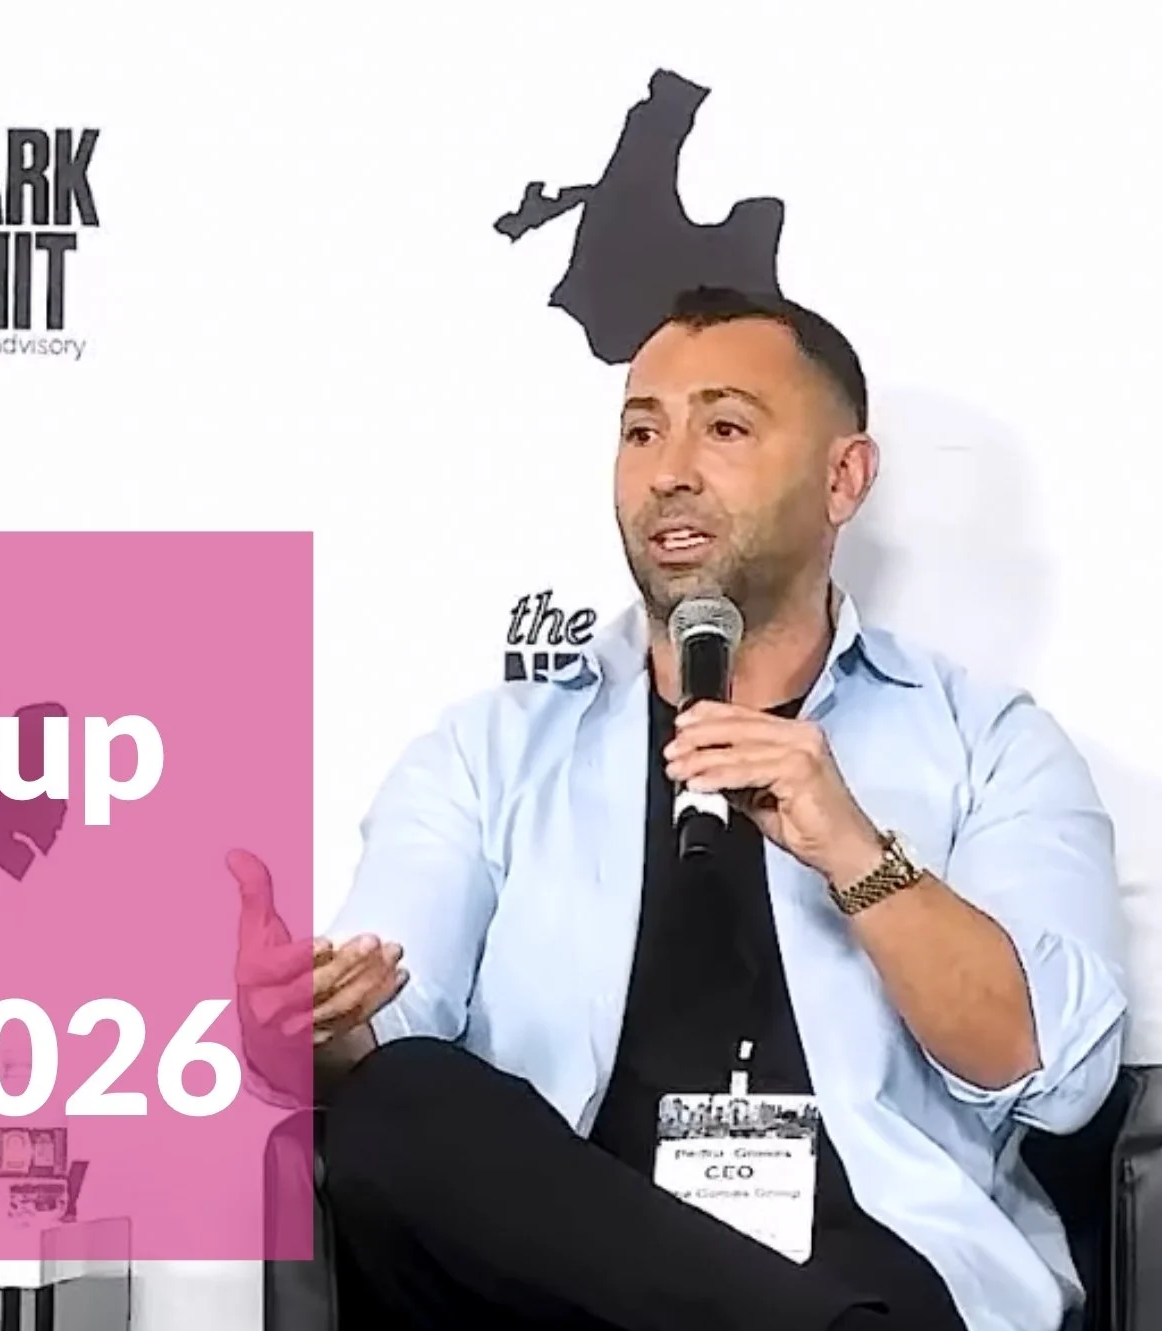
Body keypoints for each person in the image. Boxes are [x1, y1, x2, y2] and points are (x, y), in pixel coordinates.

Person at [234, 287, 1128, 1331]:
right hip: (563, 1275)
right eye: (641, 431)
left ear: (843, 477)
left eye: (725, 428)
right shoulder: (490, 752)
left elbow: (1056, 1075)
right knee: (396, 1102)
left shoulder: (988, 743)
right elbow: (384, 1033)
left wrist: (856, 854)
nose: (668, 472)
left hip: (862, 1263)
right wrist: (305, 1025)